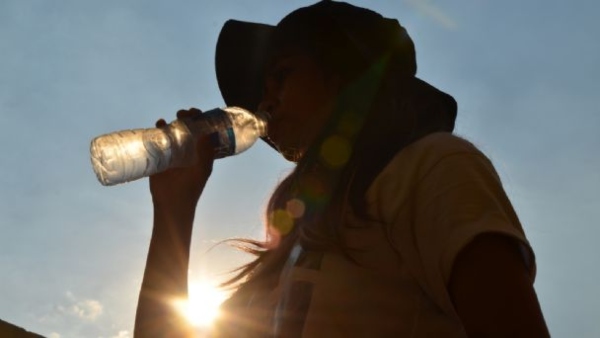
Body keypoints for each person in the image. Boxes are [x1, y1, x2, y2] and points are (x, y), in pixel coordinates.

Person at [133, 1, 550, 337]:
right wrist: (174, 209)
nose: (266, 102)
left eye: (282, 75)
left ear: (346, 76)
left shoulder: (432, 168)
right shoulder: (286, 257)